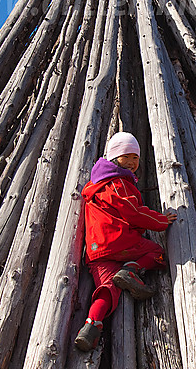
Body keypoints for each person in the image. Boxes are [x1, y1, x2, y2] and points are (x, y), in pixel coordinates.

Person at [75, 131, 177, 352]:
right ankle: (132, 270)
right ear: (114, 157)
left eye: (135, 158)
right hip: (119, 243)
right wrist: (160, 220)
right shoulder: (117, 184)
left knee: (107, 287)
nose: (132, 162)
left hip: (96, 252)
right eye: (126, 156)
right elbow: (132, 212)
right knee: (156, 252)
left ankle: (92, 323)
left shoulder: (94, 187)